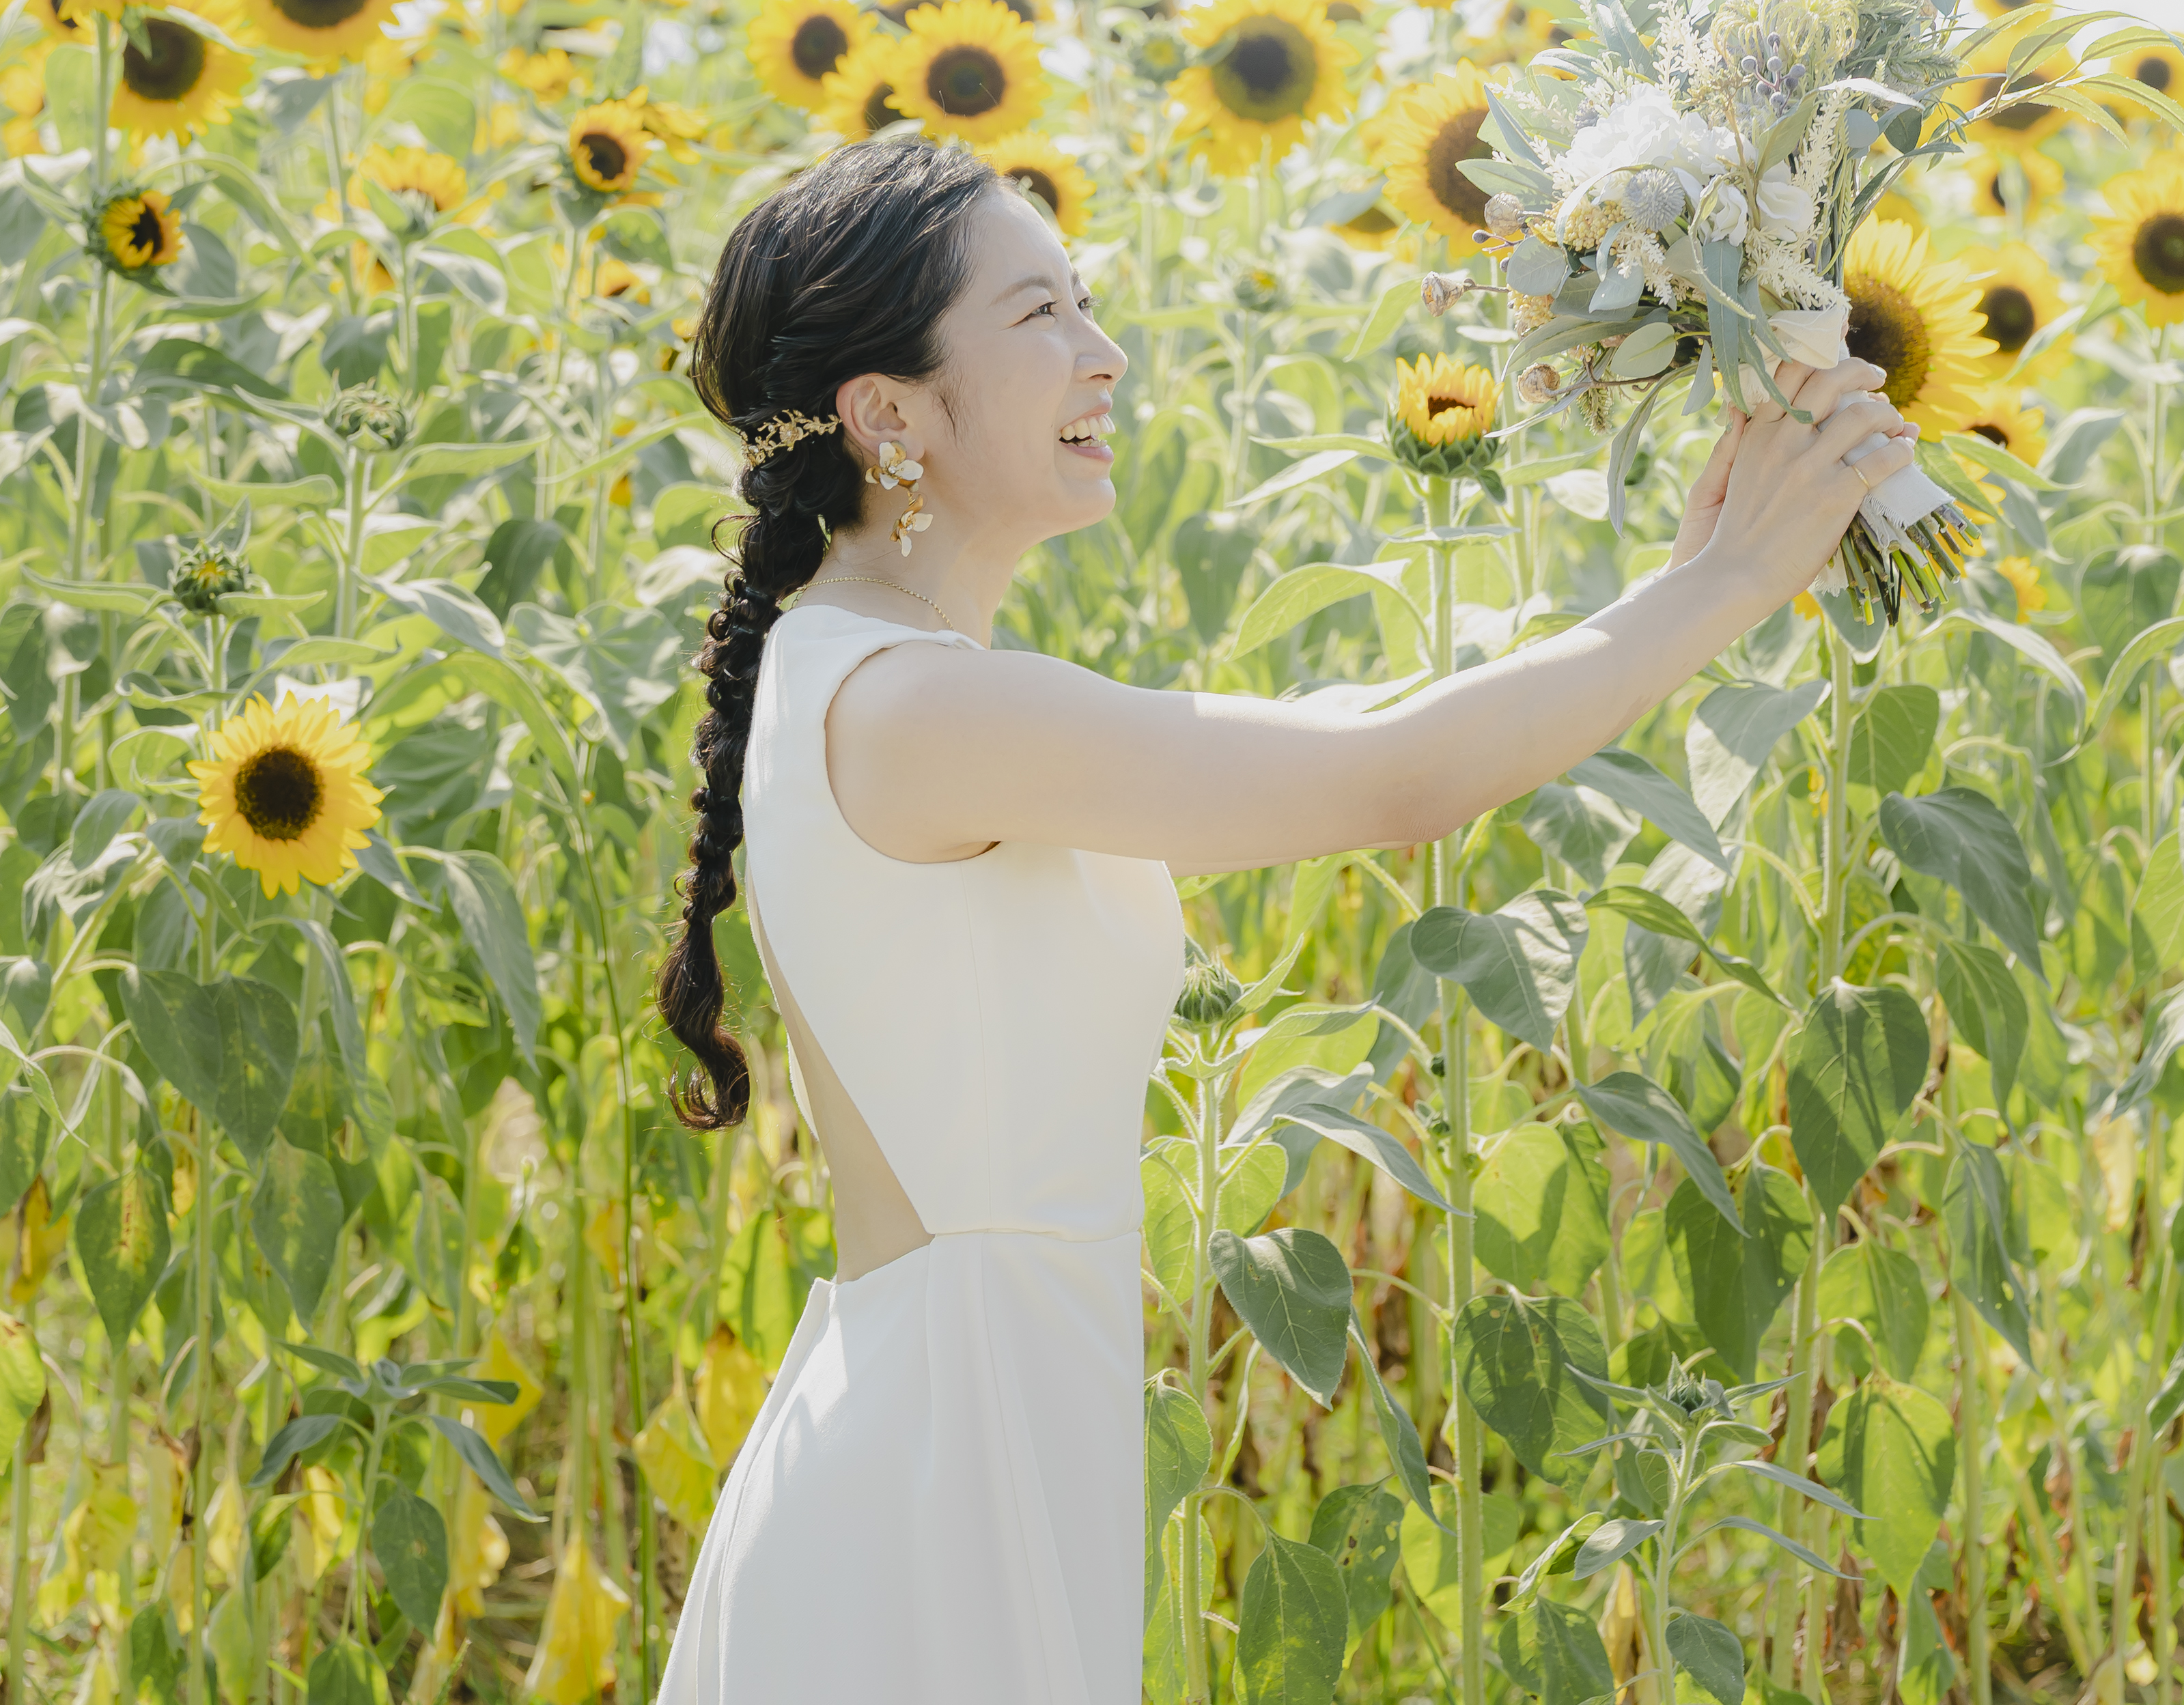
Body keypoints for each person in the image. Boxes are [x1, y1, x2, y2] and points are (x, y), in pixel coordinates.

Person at [649, 139, 1919, 1703]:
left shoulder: (874, 673)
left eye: (1089, 302)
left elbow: (1346, 718)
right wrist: (1728, 584)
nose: (1105, 354)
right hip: (944, 1467)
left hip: (958, 1414)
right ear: (887, 412)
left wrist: (1670, 582)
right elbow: (1392, 780)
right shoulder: (911, 706)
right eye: (1041, 312)